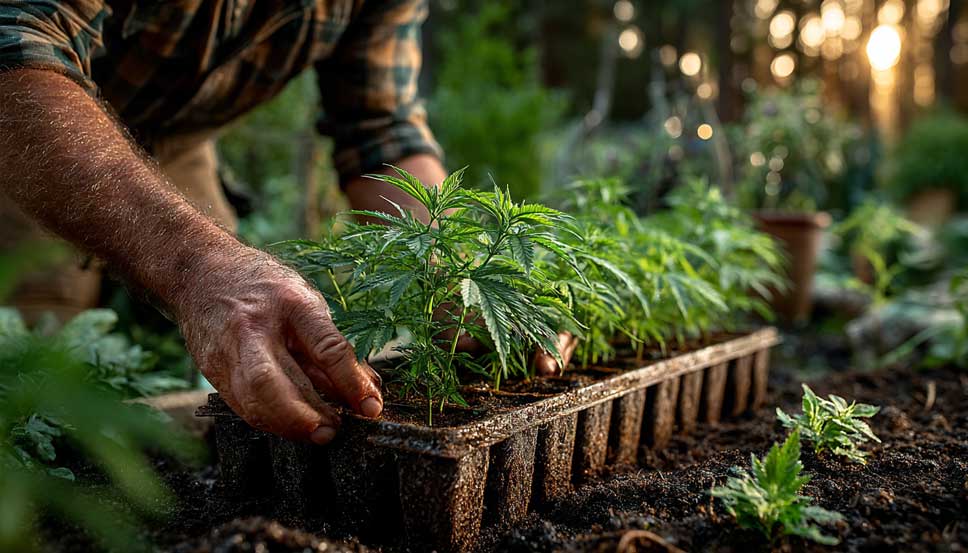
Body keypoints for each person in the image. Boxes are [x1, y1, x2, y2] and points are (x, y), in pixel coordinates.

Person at [0, 0, 451, 445]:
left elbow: (381, 130)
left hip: (176, 139)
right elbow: (13, 45)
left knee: (243, 351)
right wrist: (197, 264)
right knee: (30, 372)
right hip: (32, 119)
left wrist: (458, 273)